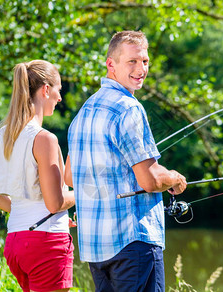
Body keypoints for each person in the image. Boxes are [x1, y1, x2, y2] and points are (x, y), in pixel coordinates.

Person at [64, 31, 187, 291]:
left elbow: (69, 177)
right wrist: (174, 177)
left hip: (97, 250)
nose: (140, 69)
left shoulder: (84, 112)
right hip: (132, 244)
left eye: (145, 61)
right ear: (111, 64)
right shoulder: (128, 108)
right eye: (132, 61)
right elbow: (151, 181)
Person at [0, 59, 75, 292]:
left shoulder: (3, 135)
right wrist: (84, 195)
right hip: (46, 244)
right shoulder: (44, 139)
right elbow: (54, 203)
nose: (60, 98)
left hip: (15, 243)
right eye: (58, 90)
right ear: (46, 90)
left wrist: (36, 215)